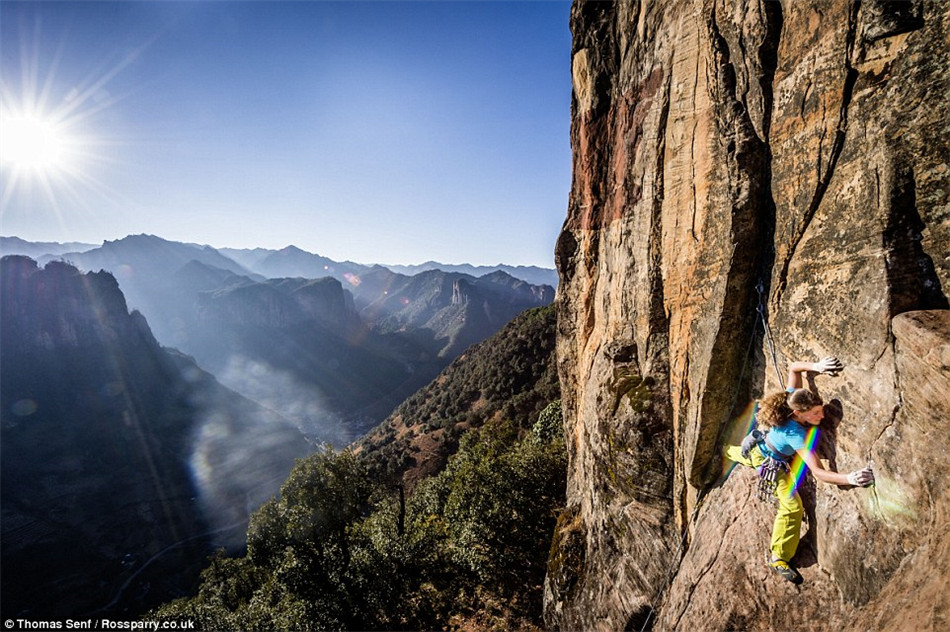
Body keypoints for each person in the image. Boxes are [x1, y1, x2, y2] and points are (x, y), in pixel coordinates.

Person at [724, 357, 874, 583]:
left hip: (761, 446)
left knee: (744, 454)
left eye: (820, 410)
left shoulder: (791, 399)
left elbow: (794, 368)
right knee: (793, 507)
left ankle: (726, 451)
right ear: (798, 414)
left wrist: (817, 368)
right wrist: (849, 477)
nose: (822, 416)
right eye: (815, 414)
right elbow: (818, 472)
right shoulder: (797, 435)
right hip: (770, 462)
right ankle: (778, 558)